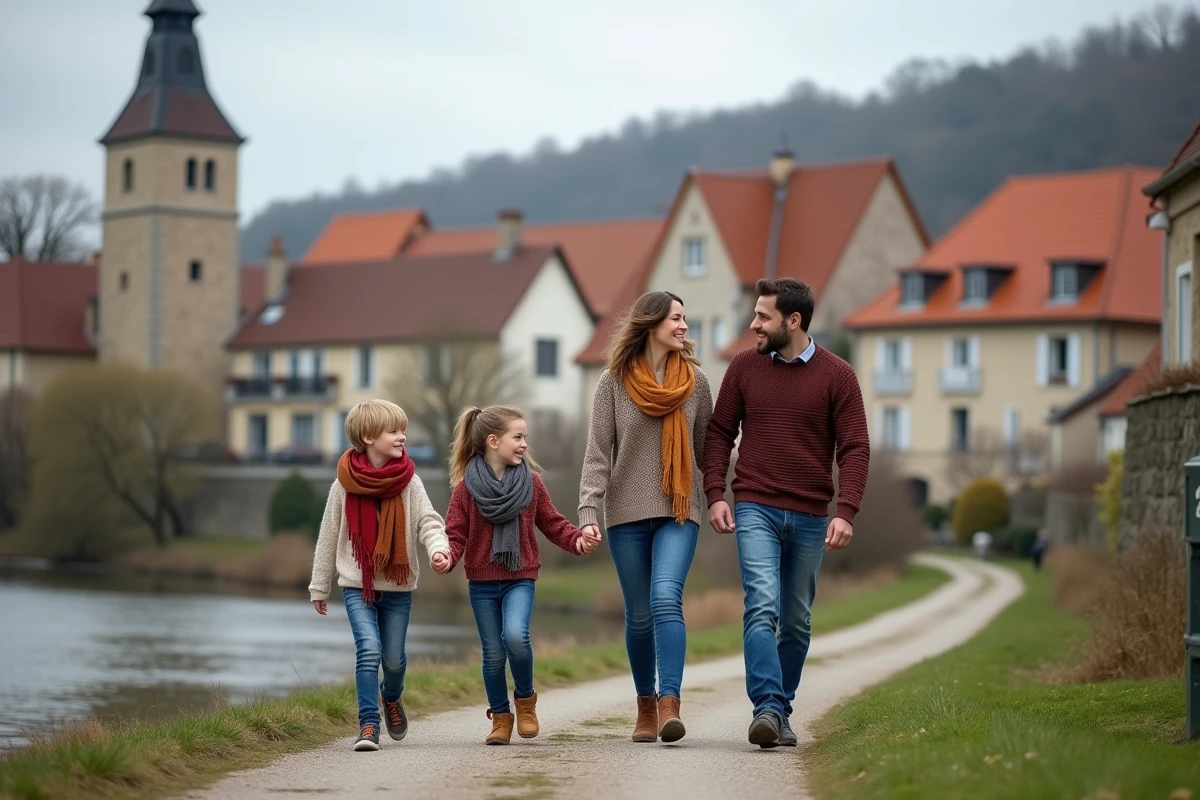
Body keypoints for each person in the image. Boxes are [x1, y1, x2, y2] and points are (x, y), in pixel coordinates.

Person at [704, 277, 870, 749]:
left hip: (813, 515)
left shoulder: (839, 376)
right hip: (755, 503)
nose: (753, 324)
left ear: (793, 321)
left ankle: (780, 709)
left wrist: (847, 510)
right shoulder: (742, 368)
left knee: (796, 619)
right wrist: (716, 492)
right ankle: (768, 708)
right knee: (761, 604)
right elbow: (719, 434)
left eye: (762, 317)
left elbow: (855, 448)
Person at [578, 290, 713, 744]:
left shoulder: (696, 383)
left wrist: (715, 497)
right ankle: (644, 706)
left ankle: (670, 702)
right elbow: (598, 454)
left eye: (685, 318)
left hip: (679, 509)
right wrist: (588, 509)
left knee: (664, 598)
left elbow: (708, 453)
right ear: (651, 323)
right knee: (638, 616)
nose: (683, 326)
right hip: (625, 514)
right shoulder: (612, 383)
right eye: (676, 318)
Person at [442, 404, 600, 745]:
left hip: (520, 577)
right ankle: (500, 717)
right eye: (518, 437)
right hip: (481, 583)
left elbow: (553, 523)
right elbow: (455, 534)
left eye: (525, 437)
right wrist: (447, 557)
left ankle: (525, 703)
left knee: (515, 637)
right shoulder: (466, 489)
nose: (524, 444)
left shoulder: (532, 484)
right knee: (492, 653)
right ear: (493, 441)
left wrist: (578, 540)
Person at [309, 399, 452, 752]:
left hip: (399, 587)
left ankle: (391, 696)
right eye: (394, 431)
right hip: (358, 585)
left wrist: (438, 548)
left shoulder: (410, 482)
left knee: (393, 659)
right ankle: (368, 726)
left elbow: (428, 522)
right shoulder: (343, 484)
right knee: (369, 651)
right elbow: (328, 535)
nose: (403, 436)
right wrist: (319, 585)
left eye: (403, 429)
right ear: (369, 437)